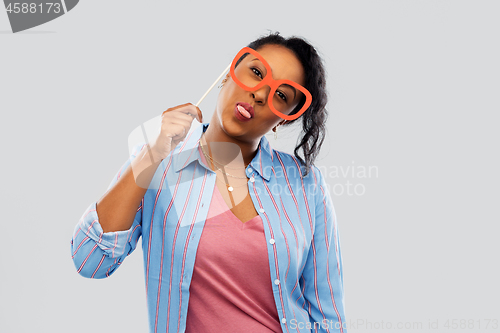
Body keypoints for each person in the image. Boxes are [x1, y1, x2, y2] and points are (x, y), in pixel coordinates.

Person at [71, 32, 347, 333]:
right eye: (256, 72)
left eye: (281, 96)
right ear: (230, 73)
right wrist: (152, 154)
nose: (259, 94)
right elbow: (90, 260)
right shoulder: (159, 163)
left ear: (283, 120)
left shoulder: (307, 186)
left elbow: (328, 318)